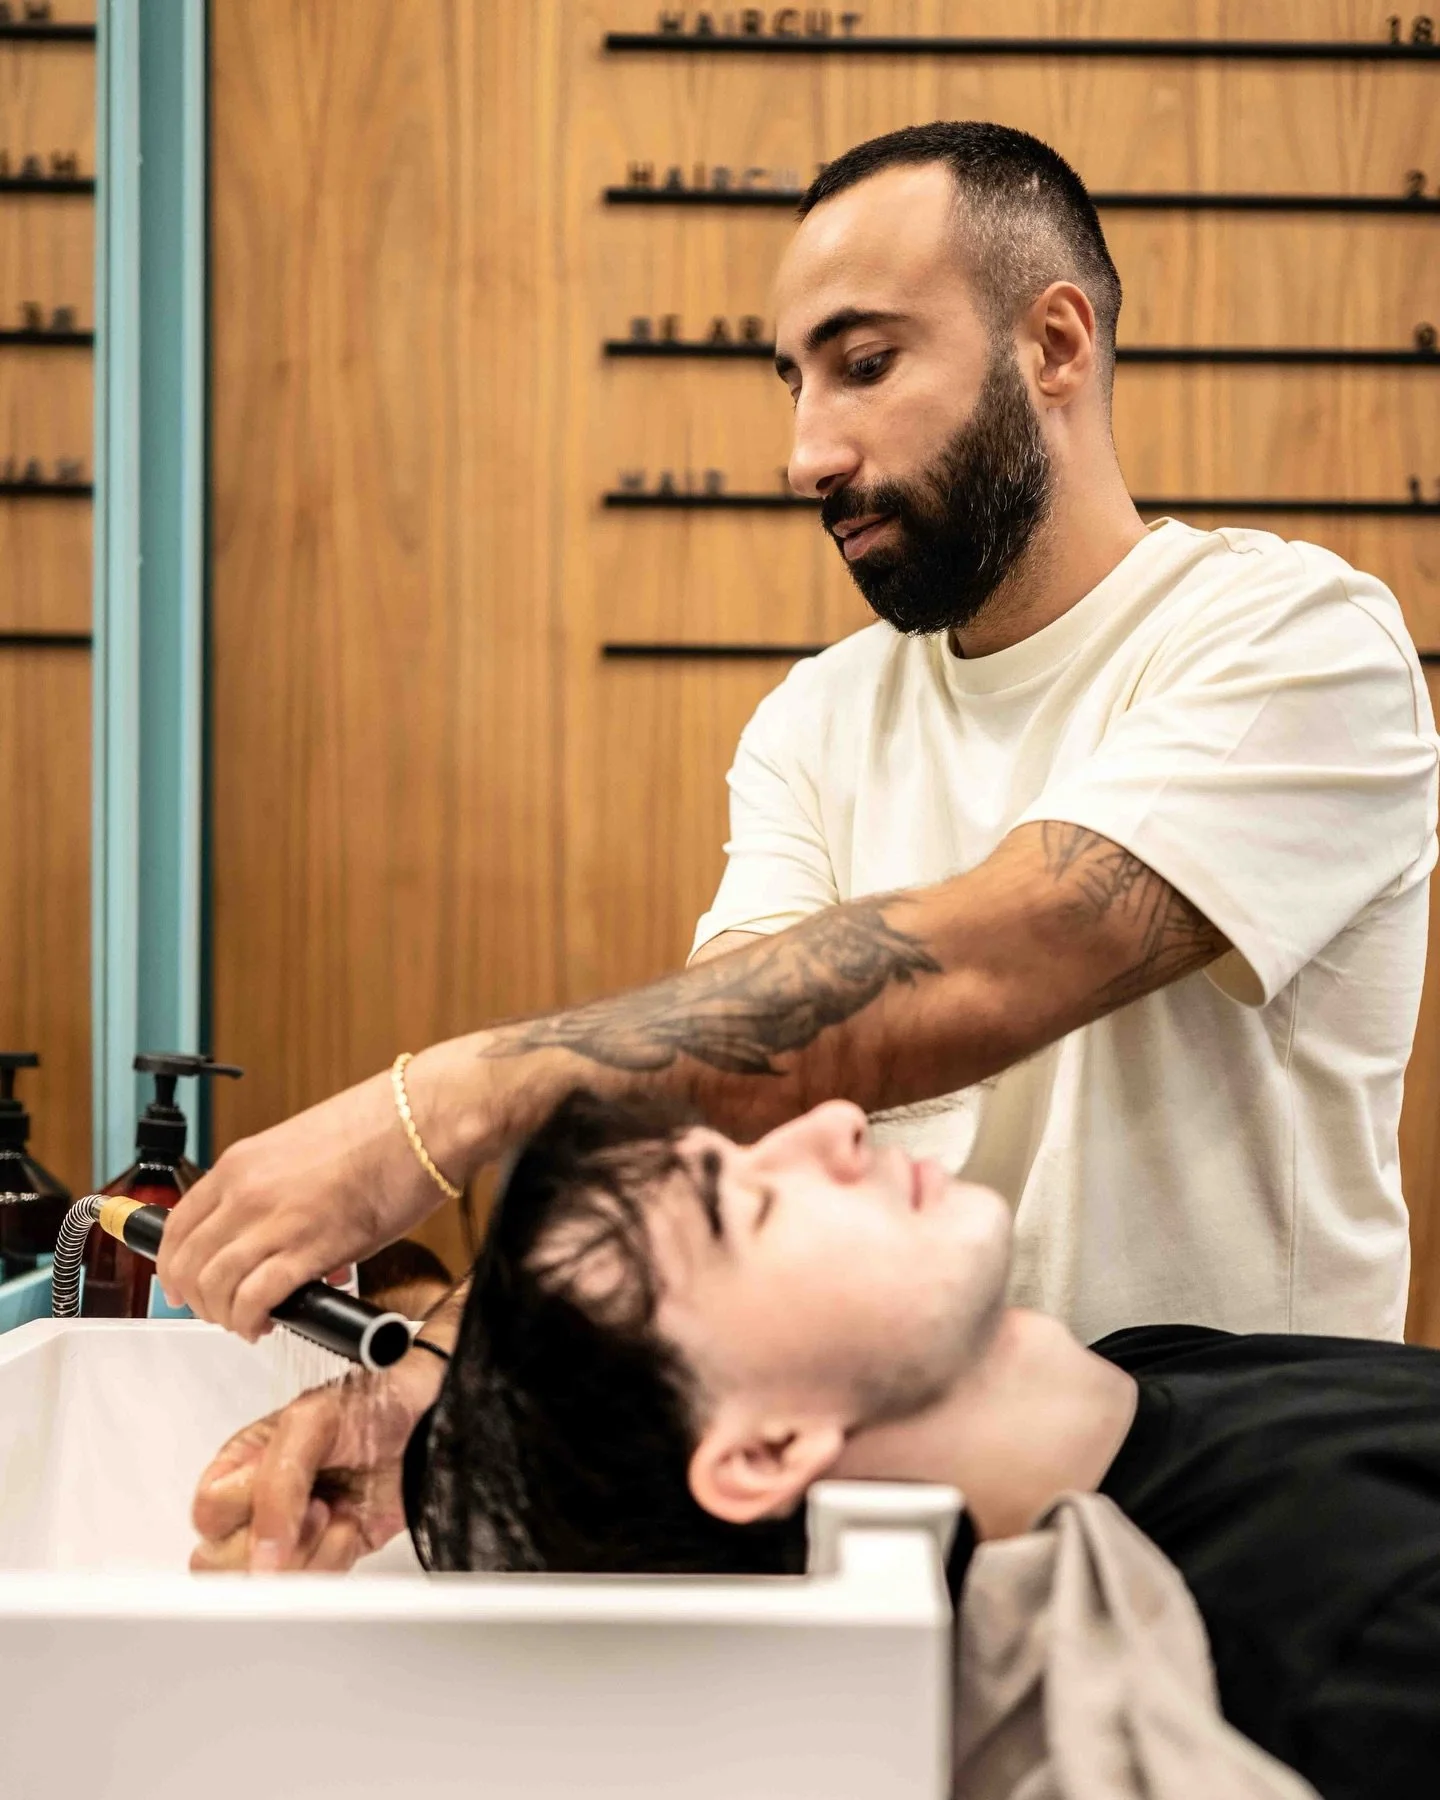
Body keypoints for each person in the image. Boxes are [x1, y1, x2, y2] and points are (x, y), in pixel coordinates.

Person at [159, 121, 1437, 1354]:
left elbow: (1009, 959)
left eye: (865, 364)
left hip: (1248, 1522)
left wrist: (439, 1104)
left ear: (1054, 344)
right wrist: (438, 1367)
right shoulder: (818, 717)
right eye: (795, 381)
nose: (805, 453)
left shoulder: (1297, 641)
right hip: (896, 1516)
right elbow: (729, 1110)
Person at [211, 1089, 1437, 1800]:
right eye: (748, 1202)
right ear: (765, 1448)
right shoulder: (1349, 1645)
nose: (839, 1123)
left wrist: (442, 1385)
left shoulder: (1150, 1371)